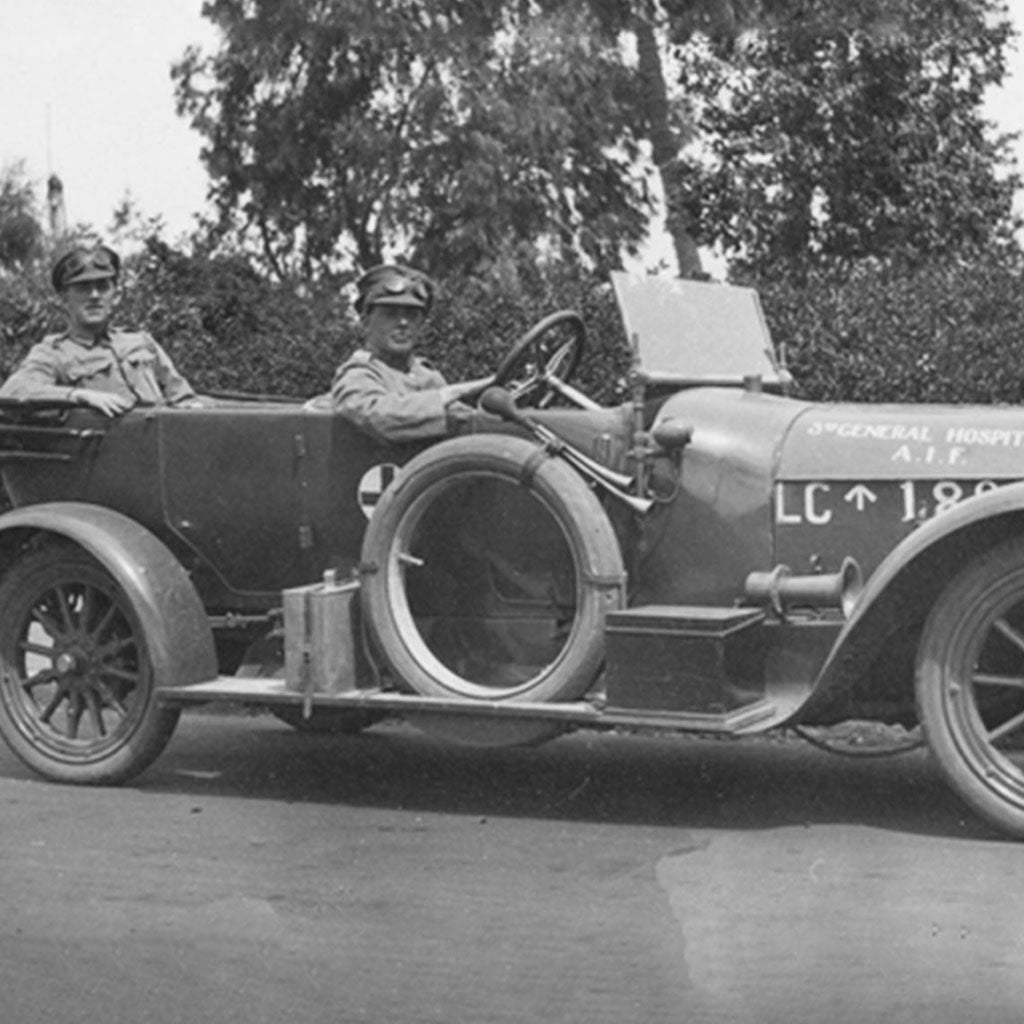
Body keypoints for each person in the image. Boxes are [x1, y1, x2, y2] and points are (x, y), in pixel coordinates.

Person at [0, 243, 199, 416]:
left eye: (103, 287)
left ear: (116, 295)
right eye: (83, 288)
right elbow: (12, 392)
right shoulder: (53, 353)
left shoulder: (141, 342)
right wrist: (79, 396)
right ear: (63, 299)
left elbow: (183, 397)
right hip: (99, 453)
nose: (94, 295)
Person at [328, 264, 492, 442]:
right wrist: (453, 392)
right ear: (366, 321)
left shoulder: (425, 375)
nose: (403, 323)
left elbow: (464, 419)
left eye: (412, 314)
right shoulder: (358, 373)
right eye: (391, 314)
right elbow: (376, 415)